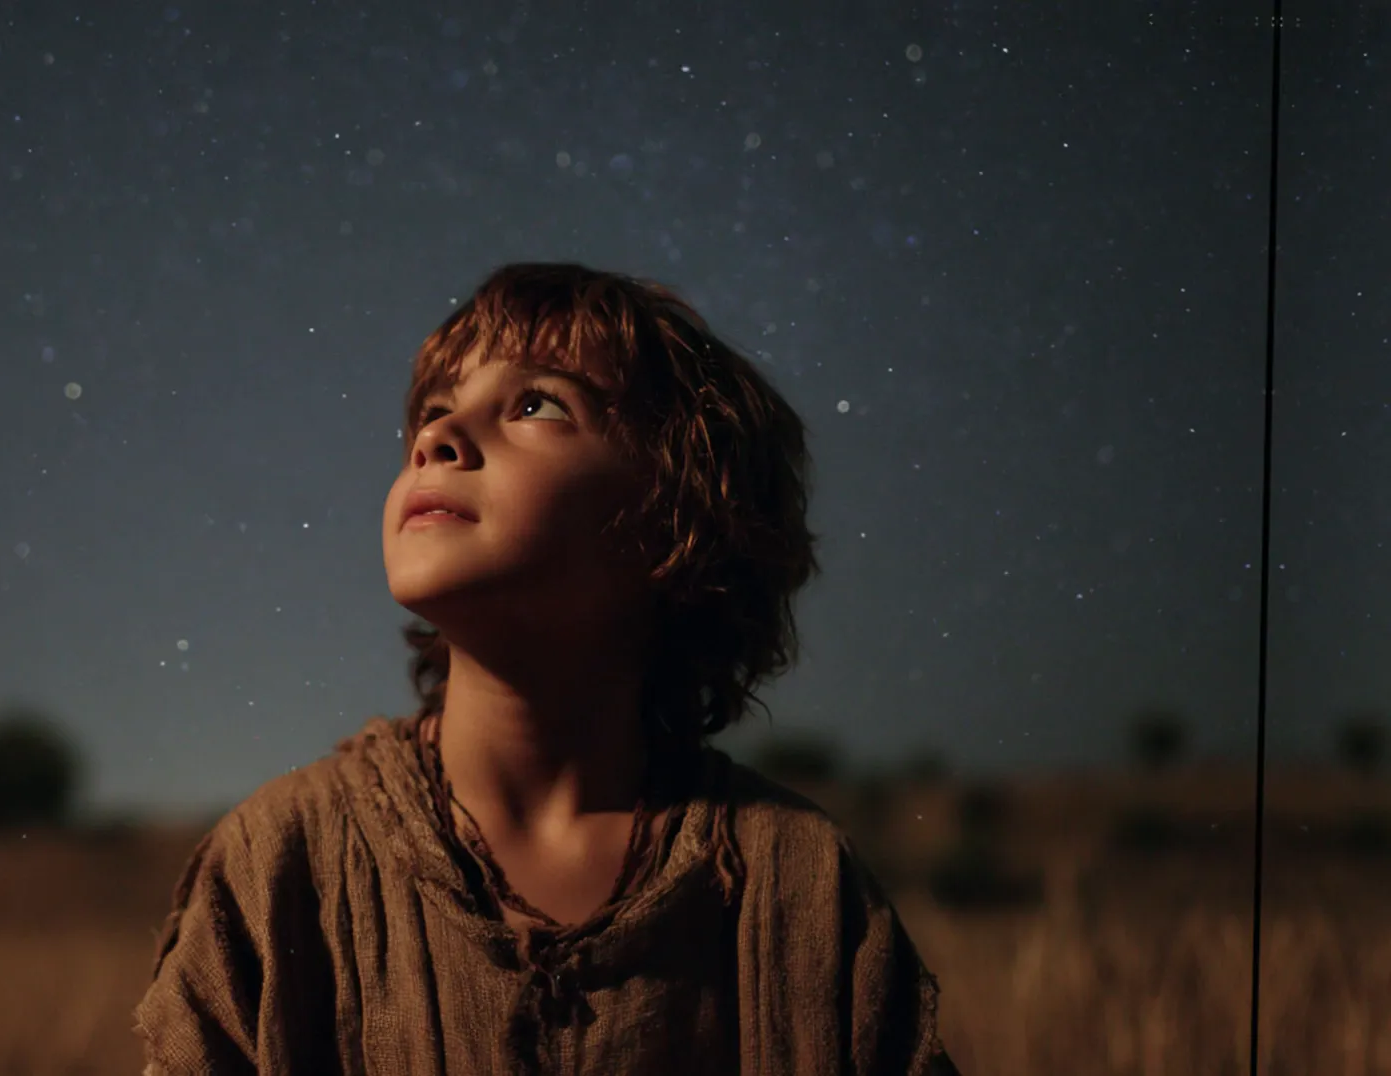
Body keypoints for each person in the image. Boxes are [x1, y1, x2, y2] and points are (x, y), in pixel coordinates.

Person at [134, 262, 960, 1075]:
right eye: (435, 410)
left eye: (536, 405)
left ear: (676, 520)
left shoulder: (795, 879)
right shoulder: (283, 863)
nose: (434, 438)